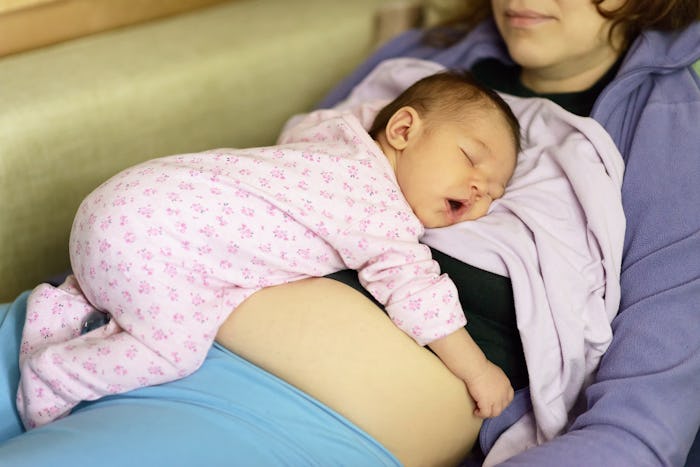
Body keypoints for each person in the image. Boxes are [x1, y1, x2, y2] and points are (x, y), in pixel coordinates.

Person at [0, 1, 697, 466]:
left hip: (277, 410)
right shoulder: (421, 58)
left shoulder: (671, 134)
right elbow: (290, 177)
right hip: (111, 307)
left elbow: (641, 424)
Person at [15, 71, 519, 429]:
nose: (479, 191)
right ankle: (57, 375)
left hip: (119, 203)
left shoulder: (329, 138)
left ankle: (59, 308)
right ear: (403, 130)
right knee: (173, 349)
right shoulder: (378, 208)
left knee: (139, 291)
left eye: (494, 194)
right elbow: (419, 295)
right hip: (155, 239)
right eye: (471, 160)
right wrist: (477, 370)